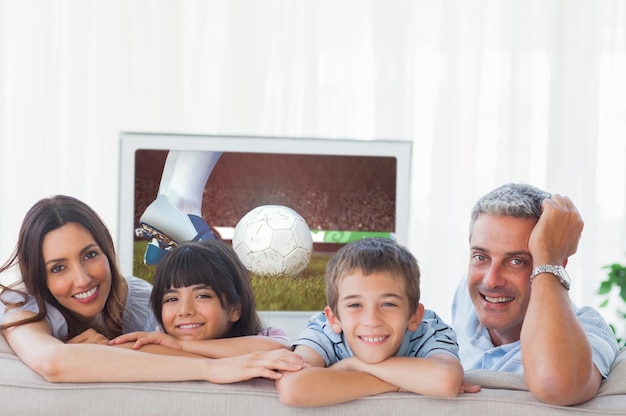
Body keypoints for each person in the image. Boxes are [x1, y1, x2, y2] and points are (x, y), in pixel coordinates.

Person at [0, 195, 307, 383]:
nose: (82, 279)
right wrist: (211, 370)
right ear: (38, 275)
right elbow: (53, 363)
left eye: (90, 255)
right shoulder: (19, 305)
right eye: (58, 268)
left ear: (107, 251)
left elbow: (173, 345)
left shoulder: (138, 296)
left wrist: (108, 350)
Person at [451, 183, 620, 406]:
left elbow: (555, 384)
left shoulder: (590, 331)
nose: (491, 281)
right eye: (481, 257)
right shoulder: (468, 294)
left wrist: (549, 259)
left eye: (516, 261)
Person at [276, 237, 479, 407]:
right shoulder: (323, 330)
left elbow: (445, 380)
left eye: (388, 304)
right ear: (334, 319)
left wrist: (353, 365)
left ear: (414, 316)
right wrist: (402, 382)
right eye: (355, 305)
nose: (372, 321)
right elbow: (294, 388)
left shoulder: (429, 329)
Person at [110, 239, 291, 357]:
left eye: (202, 296)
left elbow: (281, 351)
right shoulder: (160, 339)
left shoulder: (266, 339)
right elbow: (121, 354)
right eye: (172, 299)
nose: (185, 310)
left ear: (235, 309)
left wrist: (181, 346)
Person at [140, 150, 222, 264]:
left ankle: (167, 201)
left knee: (181, 136)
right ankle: (183, 203)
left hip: (165, 209)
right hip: (180, 210)